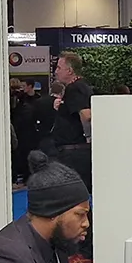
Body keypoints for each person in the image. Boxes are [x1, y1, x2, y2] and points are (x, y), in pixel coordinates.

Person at [51, 51, 94, 191]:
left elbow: (86, 115)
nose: (56, 72)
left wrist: (88, 137)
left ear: (69, 71)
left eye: (59, 68)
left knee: (72, 192)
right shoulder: (78, 88)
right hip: (74, 150)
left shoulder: (75, 88)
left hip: (74, 153)